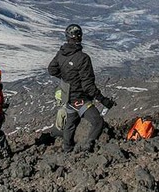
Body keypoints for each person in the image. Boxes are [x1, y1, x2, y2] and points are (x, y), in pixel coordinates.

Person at [48, 24, 116, 153]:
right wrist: (103, 100)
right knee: (98, 122)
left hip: (67, 97)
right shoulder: (83, 58)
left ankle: (67, 150)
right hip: (80, 99)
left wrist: (67, 79)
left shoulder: (61, 53)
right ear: (80, 37)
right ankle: (86, 148)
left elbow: (51, 70)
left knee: (71, 123)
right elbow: (88, 86)